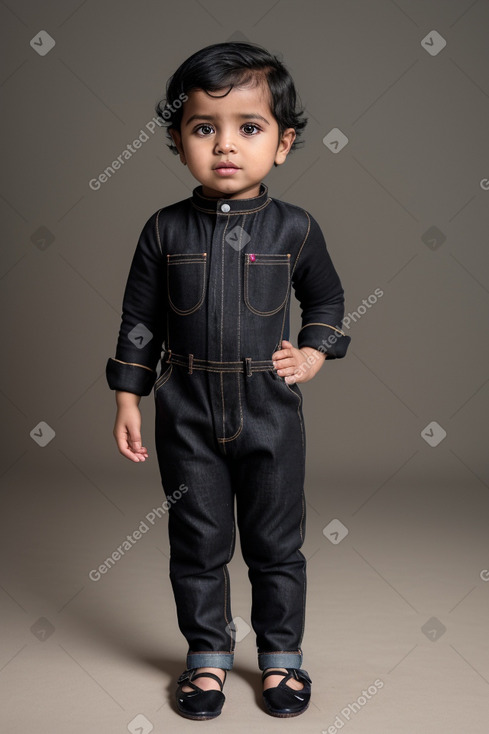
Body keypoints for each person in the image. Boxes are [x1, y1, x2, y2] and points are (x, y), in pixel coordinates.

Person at [106, 41, 350, 720]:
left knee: (276, 544)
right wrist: (129, 395)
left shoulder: (295, 229)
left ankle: (280, 661)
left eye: (249, 127)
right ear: (179, 140)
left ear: (283, 143)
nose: (225, 145)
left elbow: (327, 303)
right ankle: (207, 659)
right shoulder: (163, 231)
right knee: (198, 542)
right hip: (184, 412)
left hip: (268, 411)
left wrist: (312, 355)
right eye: (203, 128)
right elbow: (138, 322)